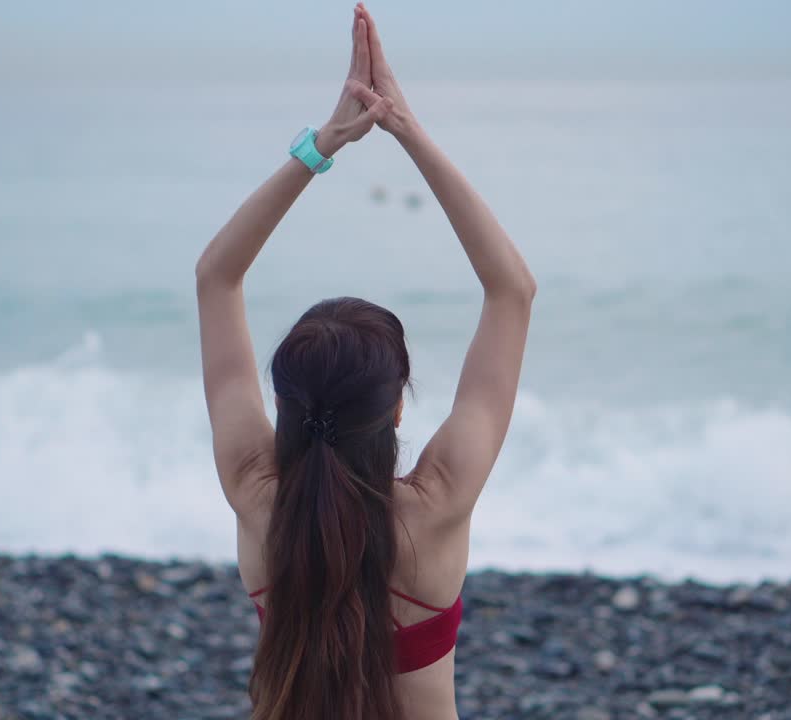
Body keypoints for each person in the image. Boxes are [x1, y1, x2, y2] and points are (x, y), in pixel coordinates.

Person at [194, 4, 535, 718]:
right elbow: (512, 289)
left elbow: (216, 277)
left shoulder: (257, 497)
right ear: (398, 407)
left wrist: (322, 146)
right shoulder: (438, 506)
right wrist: (405, 130)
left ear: (284, 404)